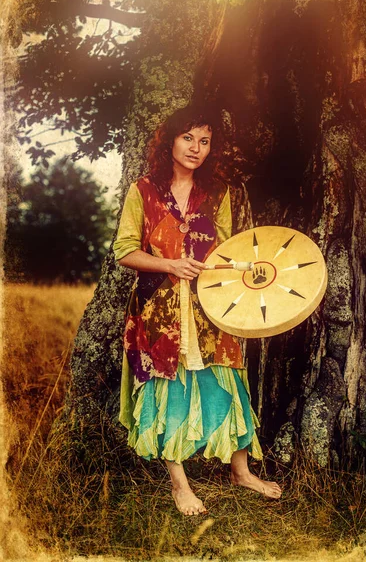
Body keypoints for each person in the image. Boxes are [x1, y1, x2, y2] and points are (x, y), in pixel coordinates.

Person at [113, 104, 282, 515]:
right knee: (166, 388)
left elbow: (226, 250)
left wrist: (243, 270)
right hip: (159, 311)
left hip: (211, 307)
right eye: (188, 137)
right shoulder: (144, 190)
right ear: (169, 140)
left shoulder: (219, 193)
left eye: (204, 141)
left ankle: (241, 471)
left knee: (227, 378)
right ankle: (179, 484)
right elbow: (124, 250)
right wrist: (170, 264)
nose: (196, 148)